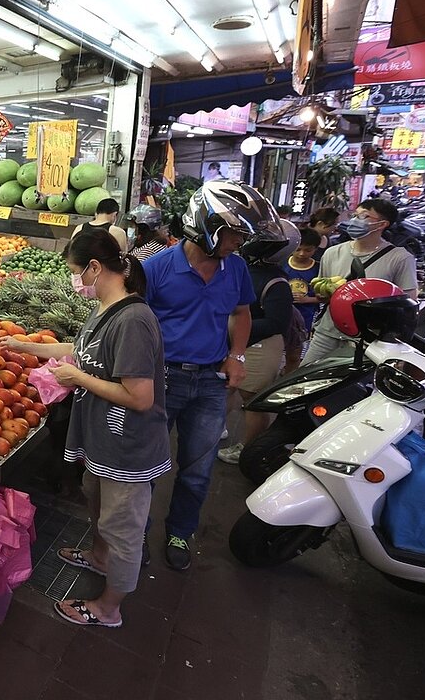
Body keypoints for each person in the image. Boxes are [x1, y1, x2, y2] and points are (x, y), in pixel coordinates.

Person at [5, 228, 169, 628]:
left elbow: (139, 396)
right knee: (98, 508)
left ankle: (109, 609)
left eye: (77, 272)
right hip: (102, 440)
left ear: (95, 267)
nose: (75, 281)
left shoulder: (133, 320)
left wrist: (77, 380)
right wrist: (26, 347)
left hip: (127, 446)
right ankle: (98, 558)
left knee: (123, 529)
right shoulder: (104, 308)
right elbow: (81, 352)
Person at [143, 180, 275, 570]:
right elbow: (135, 321)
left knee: (198, 470)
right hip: (161, 380)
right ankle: (136, 534)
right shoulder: (156, 268)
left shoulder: (235, 269)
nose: (237, 244)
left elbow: (240, 312)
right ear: (206, 225)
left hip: (210, 384)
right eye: (233, 234)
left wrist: (236, 354)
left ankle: (180, 531)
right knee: (145, 466)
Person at [217, 220, 298, 464]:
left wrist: (236, 329)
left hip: (260, 346)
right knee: (226, 390)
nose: (248, 242)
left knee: (253, 400)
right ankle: (217, 428)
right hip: (236, 343)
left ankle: (249, 449)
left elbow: (276, 323)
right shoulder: (241, 268)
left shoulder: (277, 282)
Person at [302, 198, 418, 365]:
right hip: (327, 332)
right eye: (354, 215)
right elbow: (322, 295)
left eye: (364, 217)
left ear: (382, 224)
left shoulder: (400, 258)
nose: (355, 220)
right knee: (304, 381)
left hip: (368, 341)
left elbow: (408, 303)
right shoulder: (332, 252)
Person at [283, 227, 322, 372]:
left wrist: (308, 300)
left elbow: (325, 297)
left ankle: (289, 375)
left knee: (296, 353)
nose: (302, 254)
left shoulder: (319, 268)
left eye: (308, 250)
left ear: (315, 249)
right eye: (298, 249)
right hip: (283, 315)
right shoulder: (281, 263)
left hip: (306, 317)